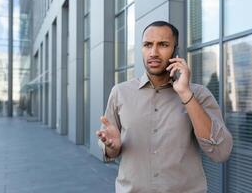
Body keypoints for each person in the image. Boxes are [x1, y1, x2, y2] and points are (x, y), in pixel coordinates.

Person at [96, 21, 233, 193]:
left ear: (175, 50)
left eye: (163, 45)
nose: (153, 52)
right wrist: (111, 147)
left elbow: (220, 152)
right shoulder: (120, 93)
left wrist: (185, 93)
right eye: (147, 45)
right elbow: (108, 150)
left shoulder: (199, 94)